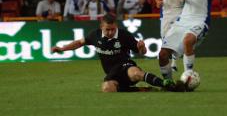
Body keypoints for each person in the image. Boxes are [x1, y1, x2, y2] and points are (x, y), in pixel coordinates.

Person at [51, 14, 183, 92]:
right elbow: (79, 43)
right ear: (101, 27)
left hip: (126, 65)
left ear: (116, 26)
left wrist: (142, 47)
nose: (110, 32)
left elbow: (142, 52)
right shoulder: (94, 35)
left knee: (135, 73)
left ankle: (165, 84)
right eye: (107, 29)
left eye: (113, 29)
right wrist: (62, 49)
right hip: (111, 72)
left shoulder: (124, 35)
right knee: (107, 89)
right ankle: (139, 89)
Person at [153, 0, 185, 72]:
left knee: (178, 36)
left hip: (181, 10)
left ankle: (174, 62)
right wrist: (157, 1)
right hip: (166, 11)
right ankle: (170, 61)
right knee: (165, 38)